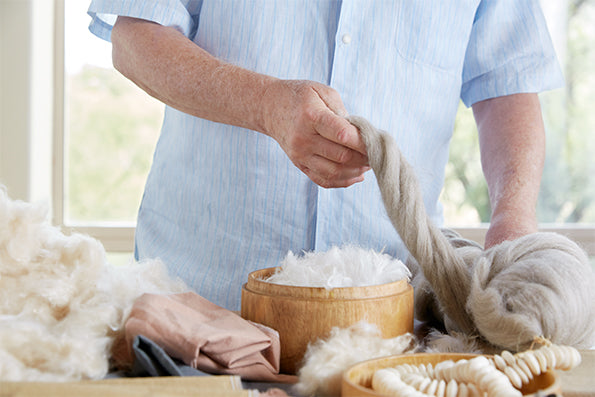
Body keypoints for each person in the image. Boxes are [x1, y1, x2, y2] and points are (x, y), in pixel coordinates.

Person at [88, 1, 563, 310]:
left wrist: (514, 222)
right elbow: (135, 37)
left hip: (392, 314)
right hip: (196, 303)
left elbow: (509, 85)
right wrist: (265, 105)